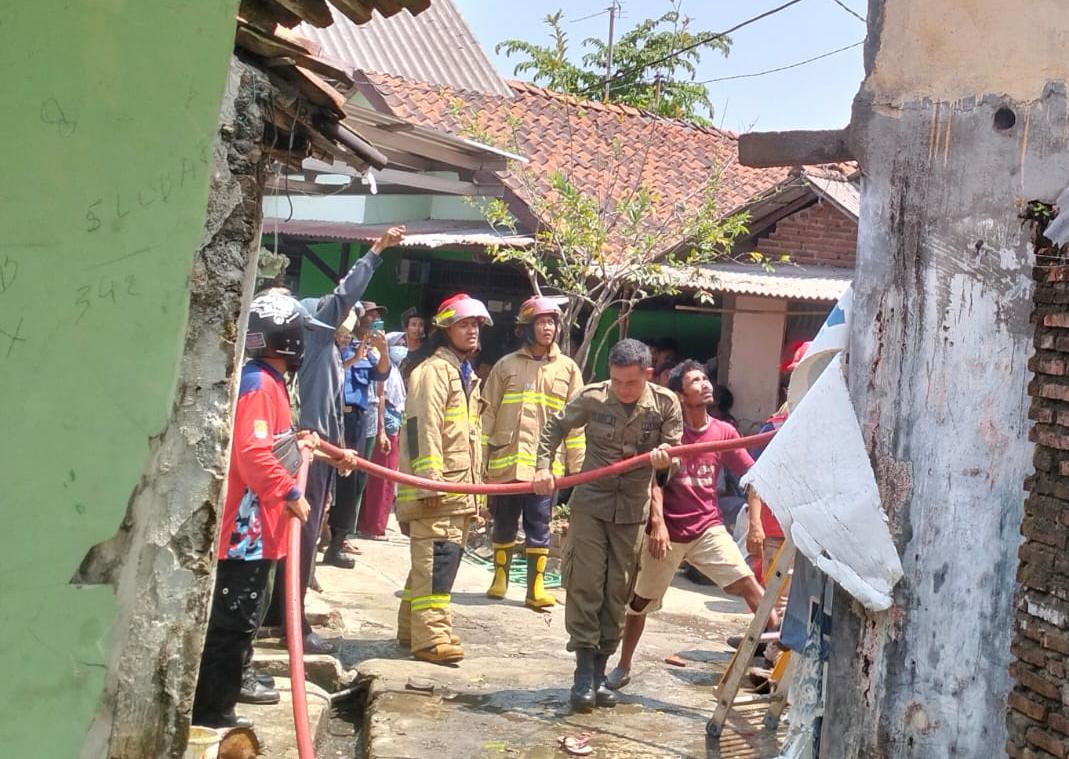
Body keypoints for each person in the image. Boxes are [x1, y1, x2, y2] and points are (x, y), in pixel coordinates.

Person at [263, 226, 404, 655]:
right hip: (302, 450)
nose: (346, 321)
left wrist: (341, 449)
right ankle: (291, 623)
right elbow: (343, 294)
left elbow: (330, 402)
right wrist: (376, 252)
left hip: (318, 448)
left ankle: (279, 616)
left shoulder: (323, 350)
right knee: (299, 539)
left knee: (295, 537)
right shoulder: (316, 335)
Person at [604, 360, 778, 690]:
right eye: (695, 381)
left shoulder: (723, 432)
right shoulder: (669, 433)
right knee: (640, 603)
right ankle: (623, 666)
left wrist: (756, 524)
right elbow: (652, 480)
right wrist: (658, 523)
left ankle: (770, 657)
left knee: (750, 586)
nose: (705, 384)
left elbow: (755, 478)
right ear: (681, 396)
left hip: (707, 528)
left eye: (704, 378)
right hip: (668, 532)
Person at [534, 338, 682, 712]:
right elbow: (555, 428)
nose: (622, 389)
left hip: (632, 510)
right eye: (616, 381)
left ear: (647, 375)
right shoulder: (593, 397)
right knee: (585, 585)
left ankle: (600, 676)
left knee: (617, 592)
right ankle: (582, 677)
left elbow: (676, 458)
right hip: (590, 505)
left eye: (630, 383)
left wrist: (665, 462)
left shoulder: (666, 404)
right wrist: (543, 467)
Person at [192, 293, 319, 729]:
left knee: (242, 621)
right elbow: (252, 452)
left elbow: (271, 443)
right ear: (289, 338)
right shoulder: (260, 385)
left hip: (259, 531)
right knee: (233, 625)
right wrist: (290, 493)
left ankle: (219, 706)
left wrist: (302, 443)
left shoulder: (267, 382)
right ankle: (213, 715)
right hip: (246, 533)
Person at [395, 294, 492, 664]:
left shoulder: (464, 375)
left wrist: (478, 497)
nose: (472, 331)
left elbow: (468, 441)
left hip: (457, 491)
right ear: (445, 329)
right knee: (438, 560)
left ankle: (410, 630)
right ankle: (431, 637)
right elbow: (422, 429)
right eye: (465, 324)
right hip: (437, 490)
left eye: (476, 325)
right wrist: (429, 481)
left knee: (433, 561)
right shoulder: (434, 372)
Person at [481, 296, 585, 609]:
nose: (547, 328)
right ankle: (499, 580)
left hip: (545, 468)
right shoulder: (506, 365)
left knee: (540, 525)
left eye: (551, 322)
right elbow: (486, 414)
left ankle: (535, 589)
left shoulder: (567, 369)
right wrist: (479, 460)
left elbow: (577, 423)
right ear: (526, 328)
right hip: (506, 463)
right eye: (541, 322)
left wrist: (577, 470)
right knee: (503, 523)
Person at [331, 301, 390, 557]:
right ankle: (327, 535)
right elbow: (334, 374)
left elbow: (381, 375)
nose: (375, 320)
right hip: (337, 417)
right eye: (371, 316)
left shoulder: (368, 350)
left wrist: (383, 350)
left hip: (358, 421)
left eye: (378, 316)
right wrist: (354, 358)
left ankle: (339, 538)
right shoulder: (340, 345)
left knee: (352, 482)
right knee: (332, 479)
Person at [356, 342, 408, 539]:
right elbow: (381, 397)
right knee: (381, 478)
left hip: (392, 421)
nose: (402, 348)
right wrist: (382, 430)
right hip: (386, 422)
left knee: (385, 478)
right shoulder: (381, 365)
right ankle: (373, 525)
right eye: (399, 344)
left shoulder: (394, 369)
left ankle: (374, 523)